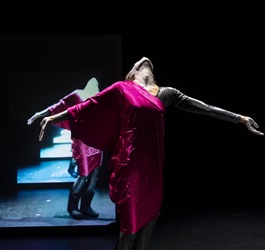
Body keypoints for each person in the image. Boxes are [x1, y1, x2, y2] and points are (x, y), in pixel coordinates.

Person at [37, 57, 263, 250]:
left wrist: (240, 118)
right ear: (133, 71)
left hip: (153, 168)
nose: (143, 59)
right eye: (138, 61)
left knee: (148, 229)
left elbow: (204, 107)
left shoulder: (167, 93)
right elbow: (87, 107)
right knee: (130, 230)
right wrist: (52, 117)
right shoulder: (121, 89)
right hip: (131, 166)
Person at [27, 77, 103, 219]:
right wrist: (39, 114)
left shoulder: (99, 97)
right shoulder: (77, 94)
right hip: (82, 141)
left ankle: (86, 206)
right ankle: (72, 207)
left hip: (96, 140)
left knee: (94, 177)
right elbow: (58, 106)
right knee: (84, 175)